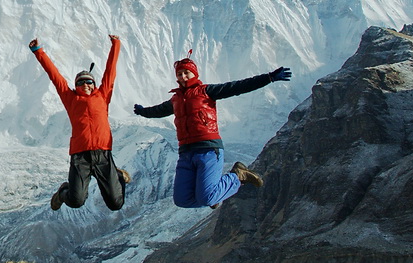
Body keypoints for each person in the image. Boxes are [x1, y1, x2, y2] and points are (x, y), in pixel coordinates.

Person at [133, 52, 291, 209]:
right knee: (182, 200)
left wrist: (268, 77)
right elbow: (158, 110)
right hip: (186, 153)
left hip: (208, 149)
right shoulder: (175, 100)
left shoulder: (206, 91)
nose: (183, 77)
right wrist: (143, 111)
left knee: (207, 198)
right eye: (180, 74)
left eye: (186, 73)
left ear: (194, 73)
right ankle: (216, 193)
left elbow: (238, 87)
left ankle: (238, 175)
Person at [29, 34, 129, 212]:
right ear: (76, 86)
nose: (86, 84)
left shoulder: (103, 96)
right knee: (76, 201)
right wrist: (38, 51)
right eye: (81, 82)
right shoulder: (71, 99)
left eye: (89, 81)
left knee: (116, 204)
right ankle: (62, 193)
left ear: (94, 84)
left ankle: (118, 176)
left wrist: (116, 44)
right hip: (80, 156)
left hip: (102, 154)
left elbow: (110, 71)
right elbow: (55, 76)